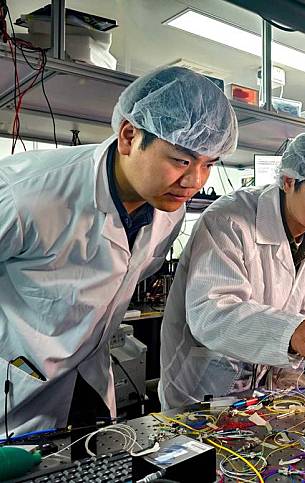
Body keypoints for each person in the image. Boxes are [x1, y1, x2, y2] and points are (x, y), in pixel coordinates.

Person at [0, 66, 238, 436]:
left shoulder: (166, 209)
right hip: (16, 388)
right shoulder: (23, 192)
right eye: (181, 160)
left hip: (88, 381)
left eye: (209, 164)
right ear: (129, 135)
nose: (194, 182)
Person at [159, 130, 305, 409]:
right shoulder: (230, 220)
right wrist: (290, 332)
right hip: (204, 388)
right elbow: (211, 314)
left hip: (269, 392)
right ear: (288, 181)